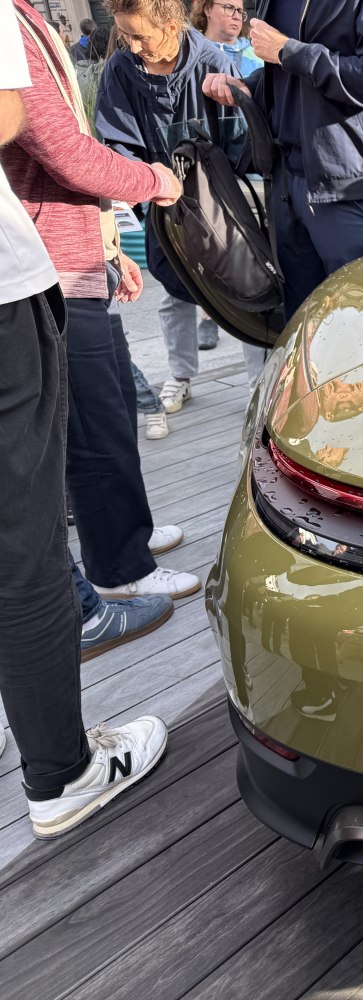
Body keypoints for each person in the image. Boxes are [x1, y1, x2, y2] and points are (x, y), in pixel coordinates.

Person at [0, 0, 170, 839]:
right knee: (24, 546)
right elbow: (24, 121)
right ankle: (62, 774)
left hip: (59, 255)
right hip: (10, 286)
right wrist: (148, 184)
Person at [4, 0, 201, 604]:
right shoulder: (10, 23)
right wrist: (153, 180)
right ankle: (120, 570)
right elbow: (65, 150)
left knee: (112, 404)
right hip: (51, 267)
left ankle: (127, 539)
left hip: (76, 254)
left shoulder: (24, 16)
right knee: (96, 425)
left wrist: (109, 248)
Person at [200, 0, 363, 321]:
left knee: (362, 325)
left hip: (350, 190)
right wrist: (249, 87)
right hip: (287, 184)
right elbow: (290, 77)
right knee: (303, 327)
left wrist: (289, 51)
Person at [98, 0, 240, 403]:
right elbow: (115, 143)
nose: (132, 45)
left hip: (219, 208)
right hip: (160, 208)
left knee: (246, 291)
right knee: (174, 292)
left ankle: (258, 383)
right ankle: (180, 375)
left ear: (174, 25)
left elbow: (239, 142)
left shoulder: (213, 62)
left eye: (140, 35)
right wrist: (147, 181)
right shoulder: (121, 69)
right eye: (125, 34)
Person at [192, 0, 261, 76]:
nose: (237, 17)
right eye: (229, 8)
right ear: (208, 9)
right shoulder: (189, 52)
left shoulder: (258, 57)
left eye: (240, 11)